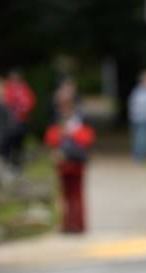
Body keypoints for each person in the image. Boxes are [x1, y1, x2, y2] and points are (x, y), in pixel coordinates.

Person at [44, 81, 95, 233]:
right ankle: (67, 223)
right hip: (62, 159)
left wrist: (70, 133)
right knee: (65, 193)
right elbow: (50, 137)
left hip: (77, 158)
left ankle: (78, 224)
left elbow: (88, 137)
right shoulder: (56, 116)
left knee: (77, 192)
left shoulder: (81, 116)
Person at [1, 70, 36, 170]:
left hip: (21, 121)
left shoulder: (24, 88)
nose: (15, 80)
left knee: (19, 143)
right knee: (8, 142)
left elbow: (31, 102)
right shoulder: (7, 88)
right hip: (9, 122)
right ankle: (7, 164)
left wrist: (23, 108)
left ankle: (17, 165)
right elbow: (6, 103)